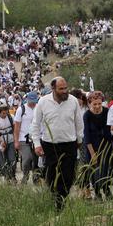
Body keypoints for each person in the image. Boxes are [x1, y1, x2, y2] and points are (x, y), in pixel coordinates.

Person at [30, 77, 85, 211]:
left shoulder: (73, 101)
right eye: (61, 89)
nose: (65, 91)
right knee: (51, 176)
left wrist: (79, 140)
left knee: (67, 176)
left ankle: (61, 202)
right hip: (50, 145)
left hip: (69, 144)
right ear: (53, 89)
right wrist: (37, 143)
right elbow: (35, 124)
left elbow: (79, 123)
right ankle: (56, 199)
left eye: (66, 88)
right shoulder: (43, 102)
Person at [83, 91, 113, 201]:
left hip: (106, 145)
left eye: (99, 104)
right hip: (92, 146)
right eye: (94, 104)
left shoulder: (107, 112)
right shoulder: (87, 115)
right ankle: (96, 192)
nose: (97, 106)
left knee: (105, 169)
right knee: (95, 171)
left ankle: (106, 188)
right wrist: (92, 154)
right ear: (90, 103)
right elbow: (86, 135)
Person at [13, 91, 40, 184]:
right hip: (23, 139)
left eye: (34, 101)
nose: (32, 103)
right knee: (27, 158)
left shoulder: (39, 108)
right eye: (31, 101)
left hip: (36, 138)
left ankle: (36, 178)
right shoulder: (21, 109)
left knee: (36, 159)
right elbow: (17, 126)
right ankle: (25, 175)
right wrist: (16, 141)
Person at [0, 103, 17, 183]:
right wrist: (1, 141)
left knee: (12, 159)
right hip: (1, 142)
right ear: (0, 112)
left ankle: (13, 176)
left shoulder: (11, 117)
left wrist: (16, 140)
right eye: (3, 113)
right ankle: (6, 177)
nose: (5, 114)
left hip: (11, 140)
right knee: (3, 160)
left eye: (6, 112)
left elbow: (15, 128)